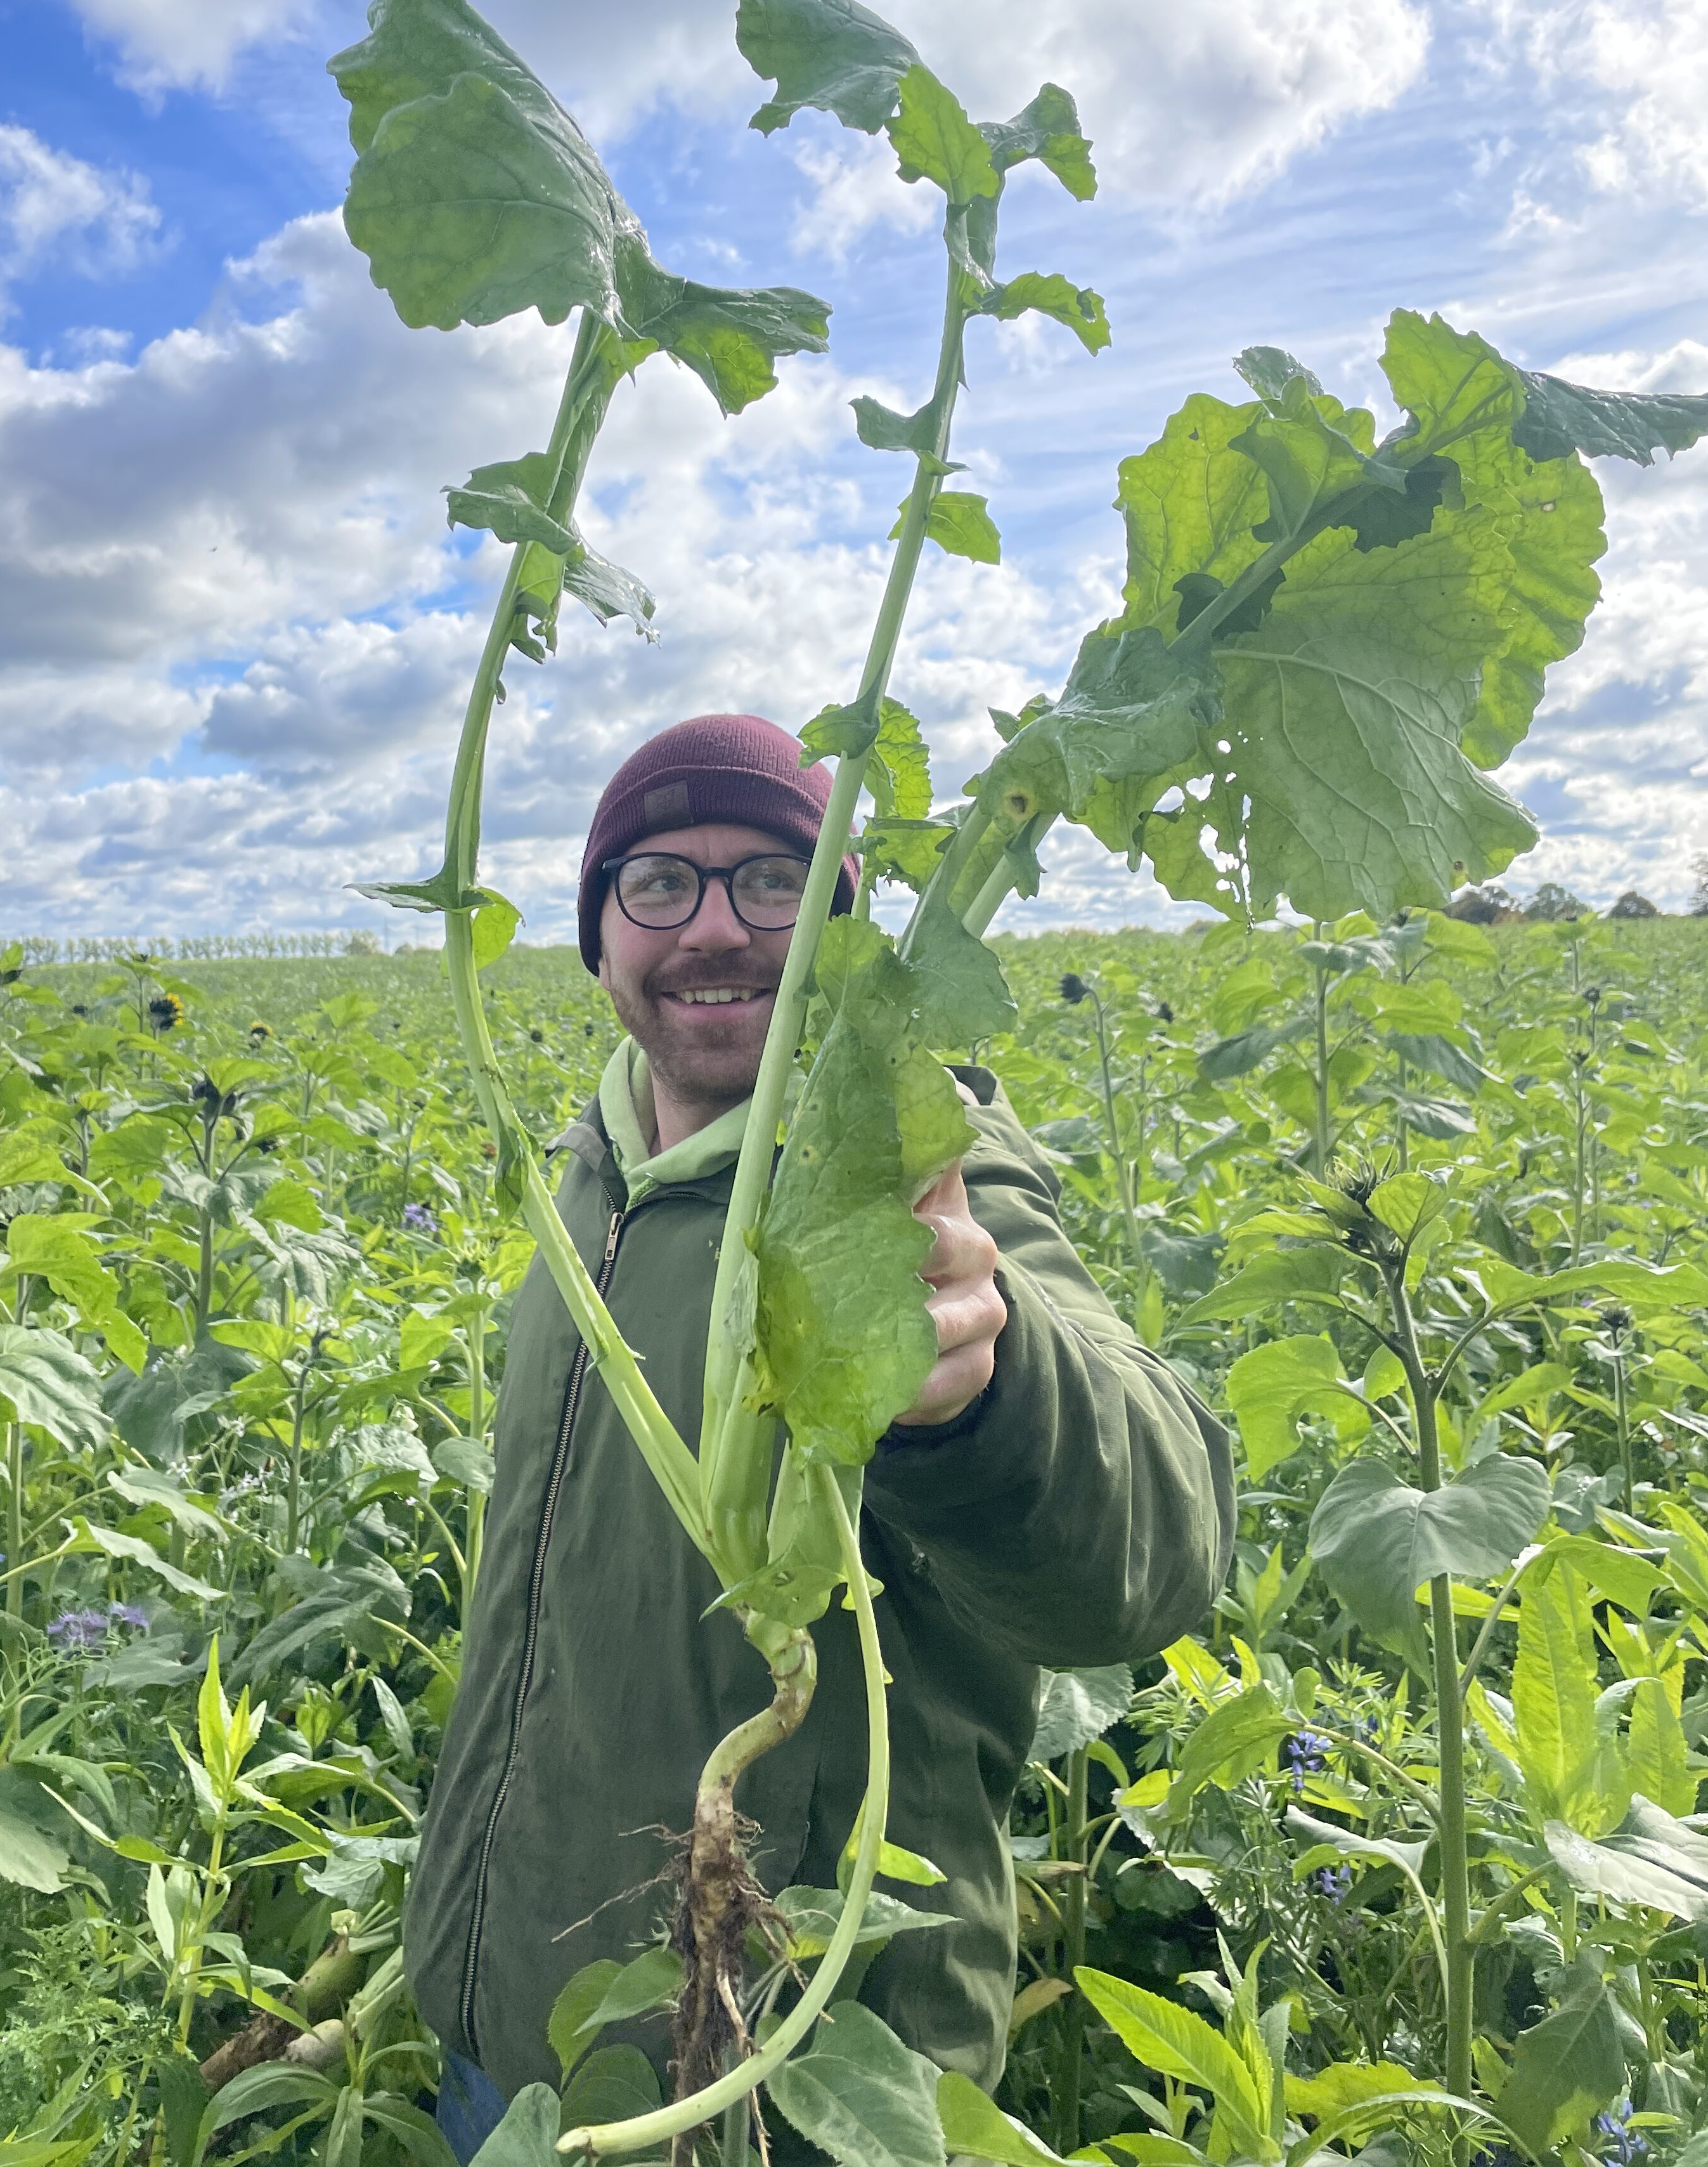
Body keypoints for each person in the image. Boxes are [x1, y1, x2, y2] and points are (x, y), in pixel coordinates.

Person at [404, 714, 1234, 2152]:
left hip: (793, 2076)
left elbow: (1156, 1555)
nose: (716, 929)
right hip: (514, 2047)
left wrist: (988, 1384)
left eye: (777, 883)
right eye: (658, 884)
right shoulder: (586, 1183)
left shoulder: (913, 1166)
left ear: (847, 932)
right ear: (599, 939)